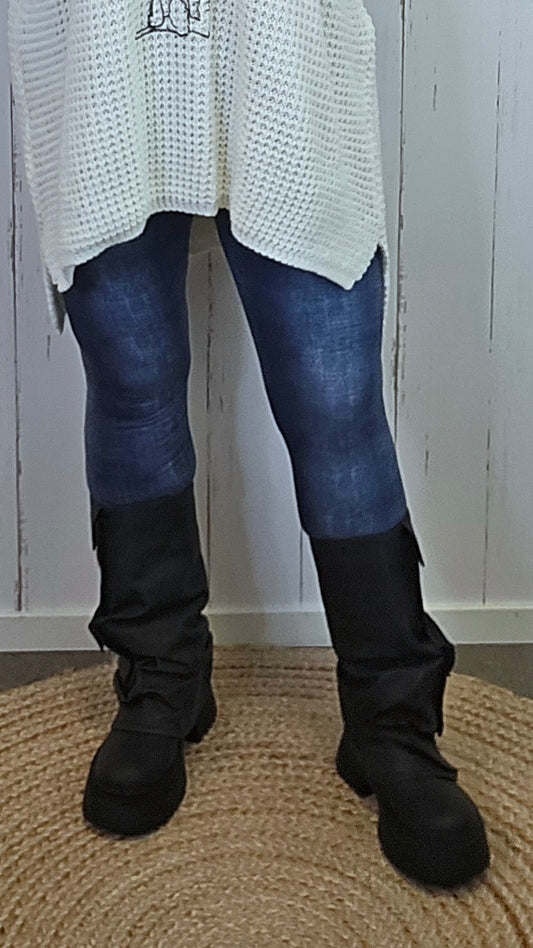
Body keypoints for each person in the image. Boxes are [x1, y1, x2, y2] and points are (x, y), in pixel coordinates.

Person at [8, 0, 490, 891]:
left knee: (334, 406)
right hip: (98, 58)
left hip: (285, 58)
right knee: (133, 388)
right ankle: (163, 677)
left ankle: (390, 720)